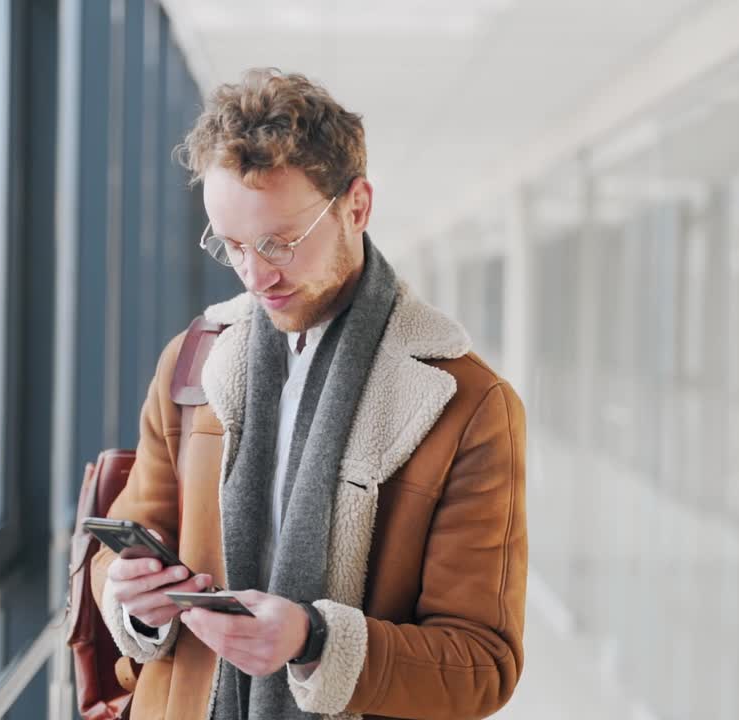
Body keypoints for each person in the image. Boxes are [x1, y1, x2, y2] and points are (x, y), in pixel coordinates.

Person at [90, 68, 527, 720]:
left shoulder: (468, 404)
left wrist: (315, 641)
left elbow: (482, 665)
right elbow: (120, 553)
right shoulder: (193, 361)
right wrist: (133, 600)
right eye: (232, 246)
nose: (255, 274)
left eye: (280, 243)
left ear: (357, 206)